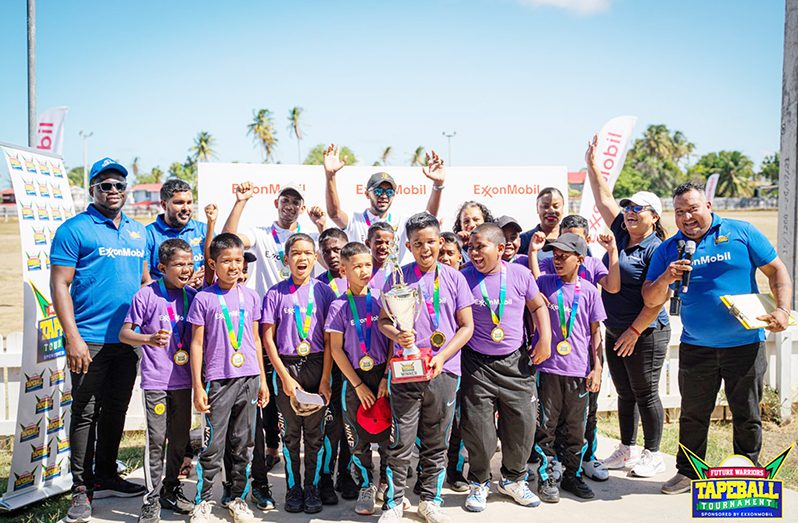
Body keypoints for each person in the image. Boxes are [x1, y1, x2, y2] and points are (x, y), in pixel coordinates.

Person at [642, 182, 792, 495]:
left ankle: (747, 473)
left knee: (747, 415)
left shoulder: (742, 232)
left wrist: (782, 309)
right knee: (693, 416)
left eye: (692, 209)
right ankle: (688, 473)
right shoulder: (669, 249)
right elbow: (650, 298)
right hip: (697, 348)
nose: (686, 217)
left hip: (744, 346)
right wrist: (667, 277)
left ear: (708, 206)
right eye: (680, 212)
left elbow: (777, 271)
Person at [51, 157, 148, 523]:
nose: (113, 191)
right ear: (92, 189)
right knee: (86, 412)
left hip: (127, 341)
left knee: (117, 410)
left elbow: (143, 283)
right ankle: (81, 487)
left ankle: (107, 473)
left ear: (127, 190)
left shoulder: (138, 233)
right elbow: (59, 284)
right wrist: (72, 336)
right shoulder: (75, 229)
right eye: (105, 185)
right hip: (88, 340)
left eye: (119, 185)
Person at [583, 137, 673, 479]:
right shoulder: (621, 231)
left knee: (646, 391)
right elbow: (604, 197)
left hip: (646, 331)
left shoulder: (658, 249)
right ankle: (627, 448)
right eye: (629, 208)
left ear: (654, 216)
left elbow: (658, 298)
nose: (631, 213)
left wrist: (635, 331)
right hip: (617, 328)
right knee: (623, 392)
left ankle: (653, 453)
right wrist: (591, 166)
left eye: (639, 209)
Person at [377, 212, 475, 523]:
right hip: (406, 371)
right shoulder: (397, 278)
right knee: (400, 440)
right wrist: (397, 333)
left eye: (431, 242)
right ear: (408, 245)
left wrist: (443, 356)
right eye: (418, 243)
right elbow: (382, 322)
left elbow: (466, 327)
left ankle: (430, 499)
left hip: (443, 370)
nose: (425, 248)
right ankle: (394, 502)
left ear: (440, 242)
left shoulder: (455, 277)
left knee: (437, 440)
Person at [459, 224, 552, 513]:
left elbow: (538, 306)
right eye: (471, 247)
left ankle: (513, 480)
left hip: (516, 362)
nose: (474, 252)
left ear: (500, 249)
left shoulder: (520, 274)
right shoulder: (463, 277)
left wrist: (544, 338)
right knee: (479, 430)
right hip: (477, 364)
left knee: (522, 426)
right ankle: (479, 482)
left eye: (480, 247)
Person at [186, 233, 269, 523]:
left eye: (238, 260)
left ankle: (237, 498)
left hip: (249, 378)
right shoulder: (204, 299)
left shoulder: (251, 296)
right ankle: (204, 502)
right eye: (226, 261)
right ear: (213, 263)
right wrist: (198, 385)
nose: (234, 266)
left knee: (243, 444)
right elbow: (196, 344)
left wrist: (262, 380)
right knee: (212, 446)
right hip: (218, 381)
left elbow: (256, 340)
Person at [529, 213, 619, 482]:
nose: (556, 260)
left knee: (576, 429)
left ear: (580, 259)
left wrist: (598, 368)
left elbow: (595, 332)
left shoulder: (590, 291)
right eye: (554, 255)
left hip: (579, 371)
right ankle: (548, 477)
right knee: (546, 426)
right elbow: (530, 302)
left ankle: (574, 475)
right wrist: (534, 255)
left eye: (563, 256)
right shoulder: (544, 282)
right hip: (548, 370)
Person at [119, 239, 197, 522]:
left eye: (189, 263)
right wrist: (148, 339)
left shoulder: (193, 295)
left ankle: (171, 490)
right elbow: (125, 334)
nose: (186, 269)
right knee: (155, 441)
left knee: (179, 440)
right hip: (157, 382)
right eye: (179, 264)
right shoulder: (146, 295)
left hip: (184, 381)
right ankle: (150, 501)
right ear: (162, 267)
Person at [261, 234, 337, 514]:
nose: (301, 258)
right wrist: (283, 376)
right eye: (295, 253)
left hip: (317, 366)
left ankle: (312, 487)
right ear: (286, 259)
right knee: (291, 434)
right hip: (286, 367)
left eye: (307, 253)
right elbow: (268, 339)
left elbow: (331, 340)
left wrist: (326, 379)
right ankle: (294, 488)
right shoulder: (275, 293)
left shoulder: (325, 292)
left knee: (315, 434)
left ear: (315, 258)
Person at [325, 242, 392, 515]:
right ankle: (366, 485)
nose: (365, 270)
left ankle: (388, 486)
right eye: (358, 266)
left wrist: (387, 375)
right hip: (354, 379)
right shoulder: (338, 306)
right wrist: (357, 384)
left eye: (368, 265)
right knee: (357, 437)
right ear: (343, 270)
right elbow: (336, 349)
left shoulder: (382, 298)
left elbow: (392, 343)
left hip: (384, 376)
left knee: (390, 436)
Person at [322, 144, 447, 264]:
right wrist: (330, 176)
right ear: (367, 194)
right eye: (378, 191)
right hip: (363, 283)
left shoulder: (401, 222)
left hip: (393, 283)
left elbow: (428, 218)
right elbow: (334, 213)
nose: (383, 195)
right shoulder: (355, 220)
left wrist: (438, 184)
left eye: (389, 192)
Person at [221, 181, 326, 297]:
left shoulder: (310, 237)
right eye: (285, 200)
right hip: (269, 309)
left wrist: (322, 227)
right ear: (276, 203)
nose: (289, 206)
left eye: (295, 202)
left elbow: (330, 265)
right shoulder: (260, 234)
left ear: (302, 208)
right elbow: (226, 242)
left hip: (302, 310)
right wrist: (240, 202)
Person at [315, 227, 359, 502]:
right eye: (327, 250)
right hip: (329, 368)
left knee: (350, 428)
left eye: (338, 249)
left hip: (355, 367)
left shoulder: (358, 281)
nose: (333, 255)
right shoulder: (318, 285)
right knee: (330, 427)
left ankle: (346, 474)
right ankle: (324, 479)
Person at [145, 179, 208, 286]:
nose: (185, 208)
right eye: (179, 203)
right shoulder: (148, 234)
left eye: (189, 202)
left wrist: (204, 280)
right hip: (164, 301)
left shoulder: (203, 230)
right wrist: (181, 283)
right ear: (164, 205)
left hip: (199, 300)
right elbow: (144, 282)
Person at [518, 187, 566, 258]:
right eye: (545, 206)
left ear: (562, 208)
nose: (551, 211)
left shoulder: (571, 237)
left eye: (556, 206)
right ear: (537, 208)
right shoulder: (525, 239)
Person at [366, 222, 396, 289]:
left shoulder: (396, 271)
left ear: (393, 245)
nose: (384, 247)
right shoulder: (362, 270)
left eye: (388, 243)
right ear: (368, 244)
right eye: (379, 242)